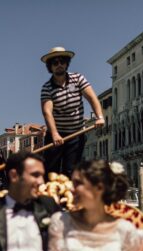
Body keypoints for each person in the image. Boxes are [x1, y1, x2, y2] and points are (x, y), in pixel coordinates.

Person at [40, 46, 104, 177]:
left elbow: (92, 98)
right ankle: (50, 197)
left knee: (71, 172)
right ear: (50, 66)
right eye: (55, 62)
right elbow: (47, 112)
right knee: (51, 172)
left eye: (62, 61)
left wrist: (100, 116)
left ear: (66, 63)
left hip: (76, 134)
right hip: (55, 135)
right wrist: (55, 134)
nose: (59, 65)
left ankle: (68, 197)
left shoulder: (78, 78)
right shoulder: (46, 87)